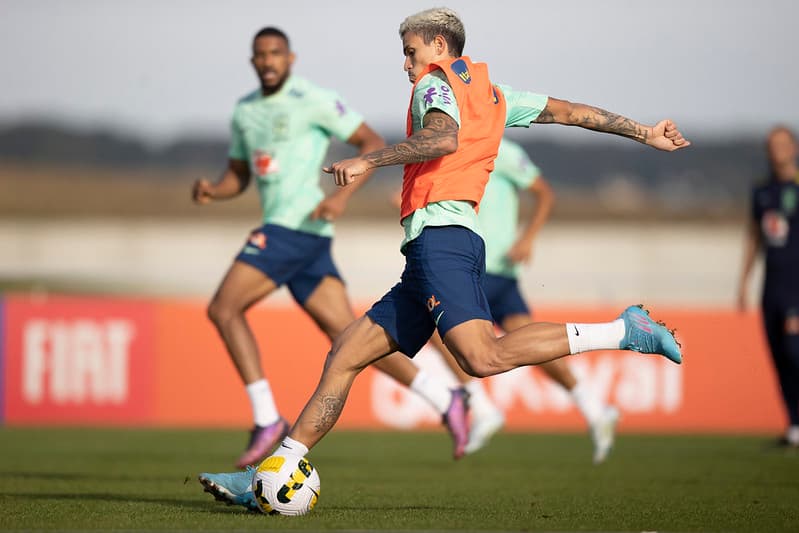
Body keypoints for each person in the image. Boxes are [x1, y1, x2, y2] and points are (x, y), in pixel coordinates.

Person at [198, 7, 688, 505]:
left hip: (442, 239)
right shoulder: (496, 95)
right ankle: (272, 470)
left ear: (437, 44)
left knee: (483, 356)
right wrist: (643, 132)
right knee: (345, 354)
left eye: (410, 52)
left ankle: (625, 331)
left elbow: (442, 137)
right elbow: (571, 112)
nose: (407, 65)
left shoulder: (434, 84)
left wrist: (368, 159)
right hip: (433, 248)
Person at [194, 26, 470, 471]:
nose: (267, 61)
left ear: (290, 58)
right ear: (252, 62)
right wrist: (213, 189)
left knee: (223, 309)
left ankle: (266, 418)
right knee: (352, 343)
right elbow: (239, 176)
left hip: (293, 230)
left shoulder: (314, 99)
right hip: (303, 243)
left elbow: (369, 142)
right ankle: (445, 397)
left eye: (275, 53)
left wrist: (340, 197)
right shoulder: (245, 112)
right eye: (260, 55)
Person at [427, 137, 619, 462]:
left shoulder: (502, 151)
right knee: (534, 347)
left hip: (485, 265)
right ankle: (596, 409)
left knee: (432, 324)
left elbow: (544, 193)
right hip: (484, 267)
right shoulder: (454, 147)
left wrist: (527, 239)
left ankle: (482, 407)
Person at [737, 126, 799, 448]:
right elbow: (754, 237)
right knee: (778, 355)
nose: (777, 150)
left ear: (794, 149)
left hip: (795, 286)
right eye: (772, 145)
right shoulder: (762, 191)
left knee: (794, 352)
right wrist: (743, 281)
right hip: (770, 286)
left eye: (782, 144)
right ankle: (793, 427)